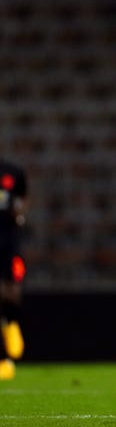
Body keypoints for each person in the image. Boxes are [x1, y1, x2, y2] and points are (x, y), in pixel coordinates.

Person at [0, 158, 28, 380]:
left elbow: (23, 197)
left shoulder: (12, 171)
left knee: (12, 291)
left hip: (8, 239)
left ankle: (12, 323)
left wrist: (20, 214)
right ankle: (4, 360)